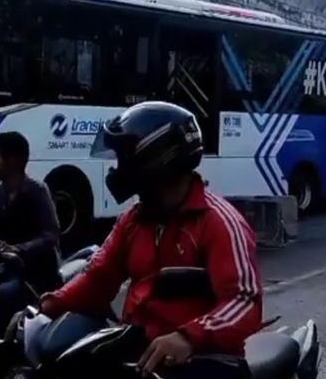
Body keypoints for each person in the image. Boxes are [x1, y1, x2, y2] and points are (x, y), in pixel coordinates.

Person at [39, 101, 262, 379]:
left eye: (124, 159)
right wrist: (46, 307)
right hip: (142, 347)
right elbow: (99, 277)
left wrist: (188, 337)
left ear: (155, 159)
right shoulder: (134, 220)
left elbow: (244, 302)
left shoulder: (218, 222)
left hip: (206, 355)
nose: (118, 170)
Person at [0, 131, 62, 339]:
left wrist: (19, 249)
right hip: (9, 269)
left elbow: (51, 236)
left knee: (2, 297)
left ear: (11, 160)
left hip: (35, 275)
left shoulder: (37, 191)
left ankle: (5, 350)